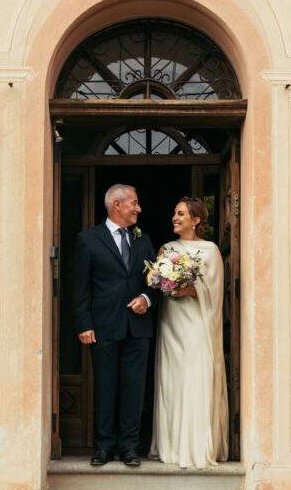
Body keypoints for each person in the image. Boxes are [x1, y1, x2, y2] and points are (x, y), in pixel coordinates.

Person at [73, 184, 161, 467]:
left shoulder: (143, 240)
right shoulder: (88, 240)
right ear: (117, 206)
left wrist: (147, 298)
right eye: (134, 203)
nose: (139, 209)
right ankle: (103, 447)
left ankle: (129, 448)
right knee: (106, 387)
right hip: (103, 327)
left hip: (138, 327)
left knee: (134, 388)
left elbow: (157, 282)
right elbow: (79, 287)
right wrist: (84, 324)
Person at [150, 197, 229, 469]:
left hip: (197, 323)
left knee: (195, 377)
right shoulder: (166, 249)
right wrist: (165, 283)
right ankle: (171, 445)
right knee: (172, 380)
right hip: (171, 323)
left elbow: (216, 290)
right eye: (174, 212)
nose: (175, 217)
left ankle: (196, 446)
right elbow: (155, 283)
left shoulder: (210, 250)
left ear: (196, 220)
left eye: (181, 213)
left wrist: (190, 289)